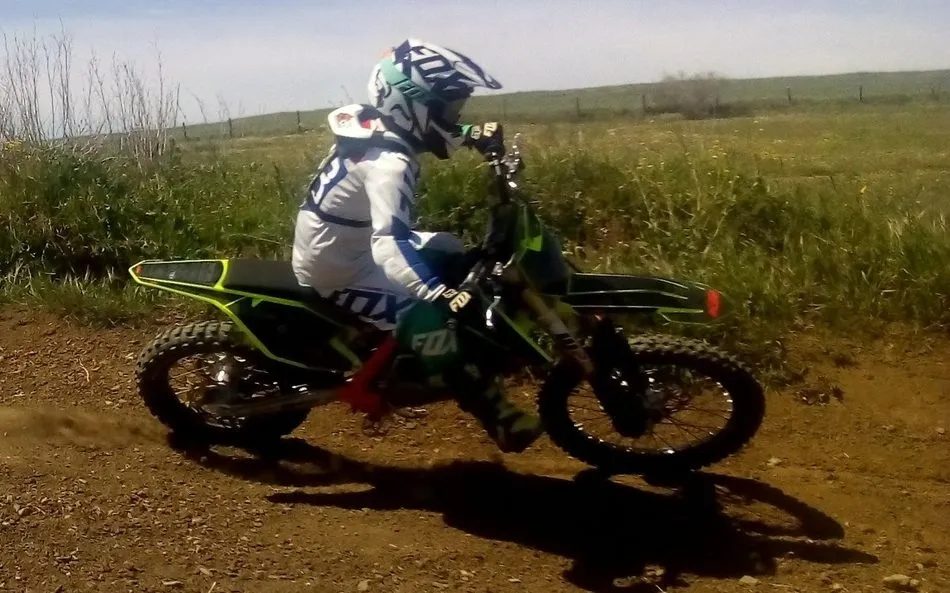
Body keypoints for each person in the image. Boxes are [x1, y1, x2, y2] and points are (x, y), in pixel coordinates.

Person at [291, 38, 543, 453]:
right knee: (429, 319)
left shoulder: (376, 125)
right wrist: (438, 294)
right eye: (449, 109)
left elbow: (427, 134)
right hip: (339, 267)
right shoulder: (389, 166)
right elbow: (389, 244)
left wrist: (469, 135)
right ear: (411, 106)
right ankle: (493, 412)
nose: (455, 117)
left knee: (450, 250)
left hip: (343, 241)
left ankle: (417, 344)